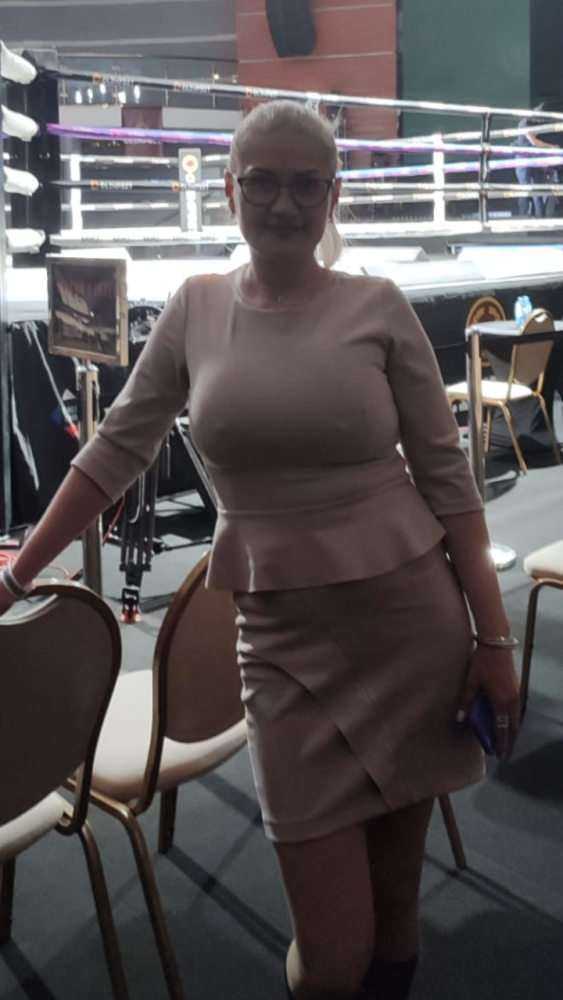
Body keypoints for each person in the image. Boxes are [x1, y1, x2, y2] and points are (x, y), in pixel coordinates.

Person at [0, 100, 521, 1000]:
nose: (284, 203)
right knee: (332, 960)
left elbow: (449, 487)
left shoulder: (377, 306)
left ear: (333, 195)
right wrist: (17, 574)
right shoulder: (197, 308)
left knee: (397, 905)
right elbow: (114, 452)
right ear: (231, 190)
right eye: (264, 183)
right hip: (280, 641)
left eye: (306, 185)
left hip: (409, 626)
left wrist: (493, 637)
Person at [514, 102, 559, 218]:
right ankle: (523, 216)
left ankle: (539, 216)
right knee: (525, 190)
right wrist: (551, 147)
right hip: (523, 159)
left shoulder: (537, 123)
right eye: (540, 118)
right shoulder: (525, 123)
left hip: (533, 158)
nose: (541, 121)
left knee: (536, 189)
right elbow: (533, 141)